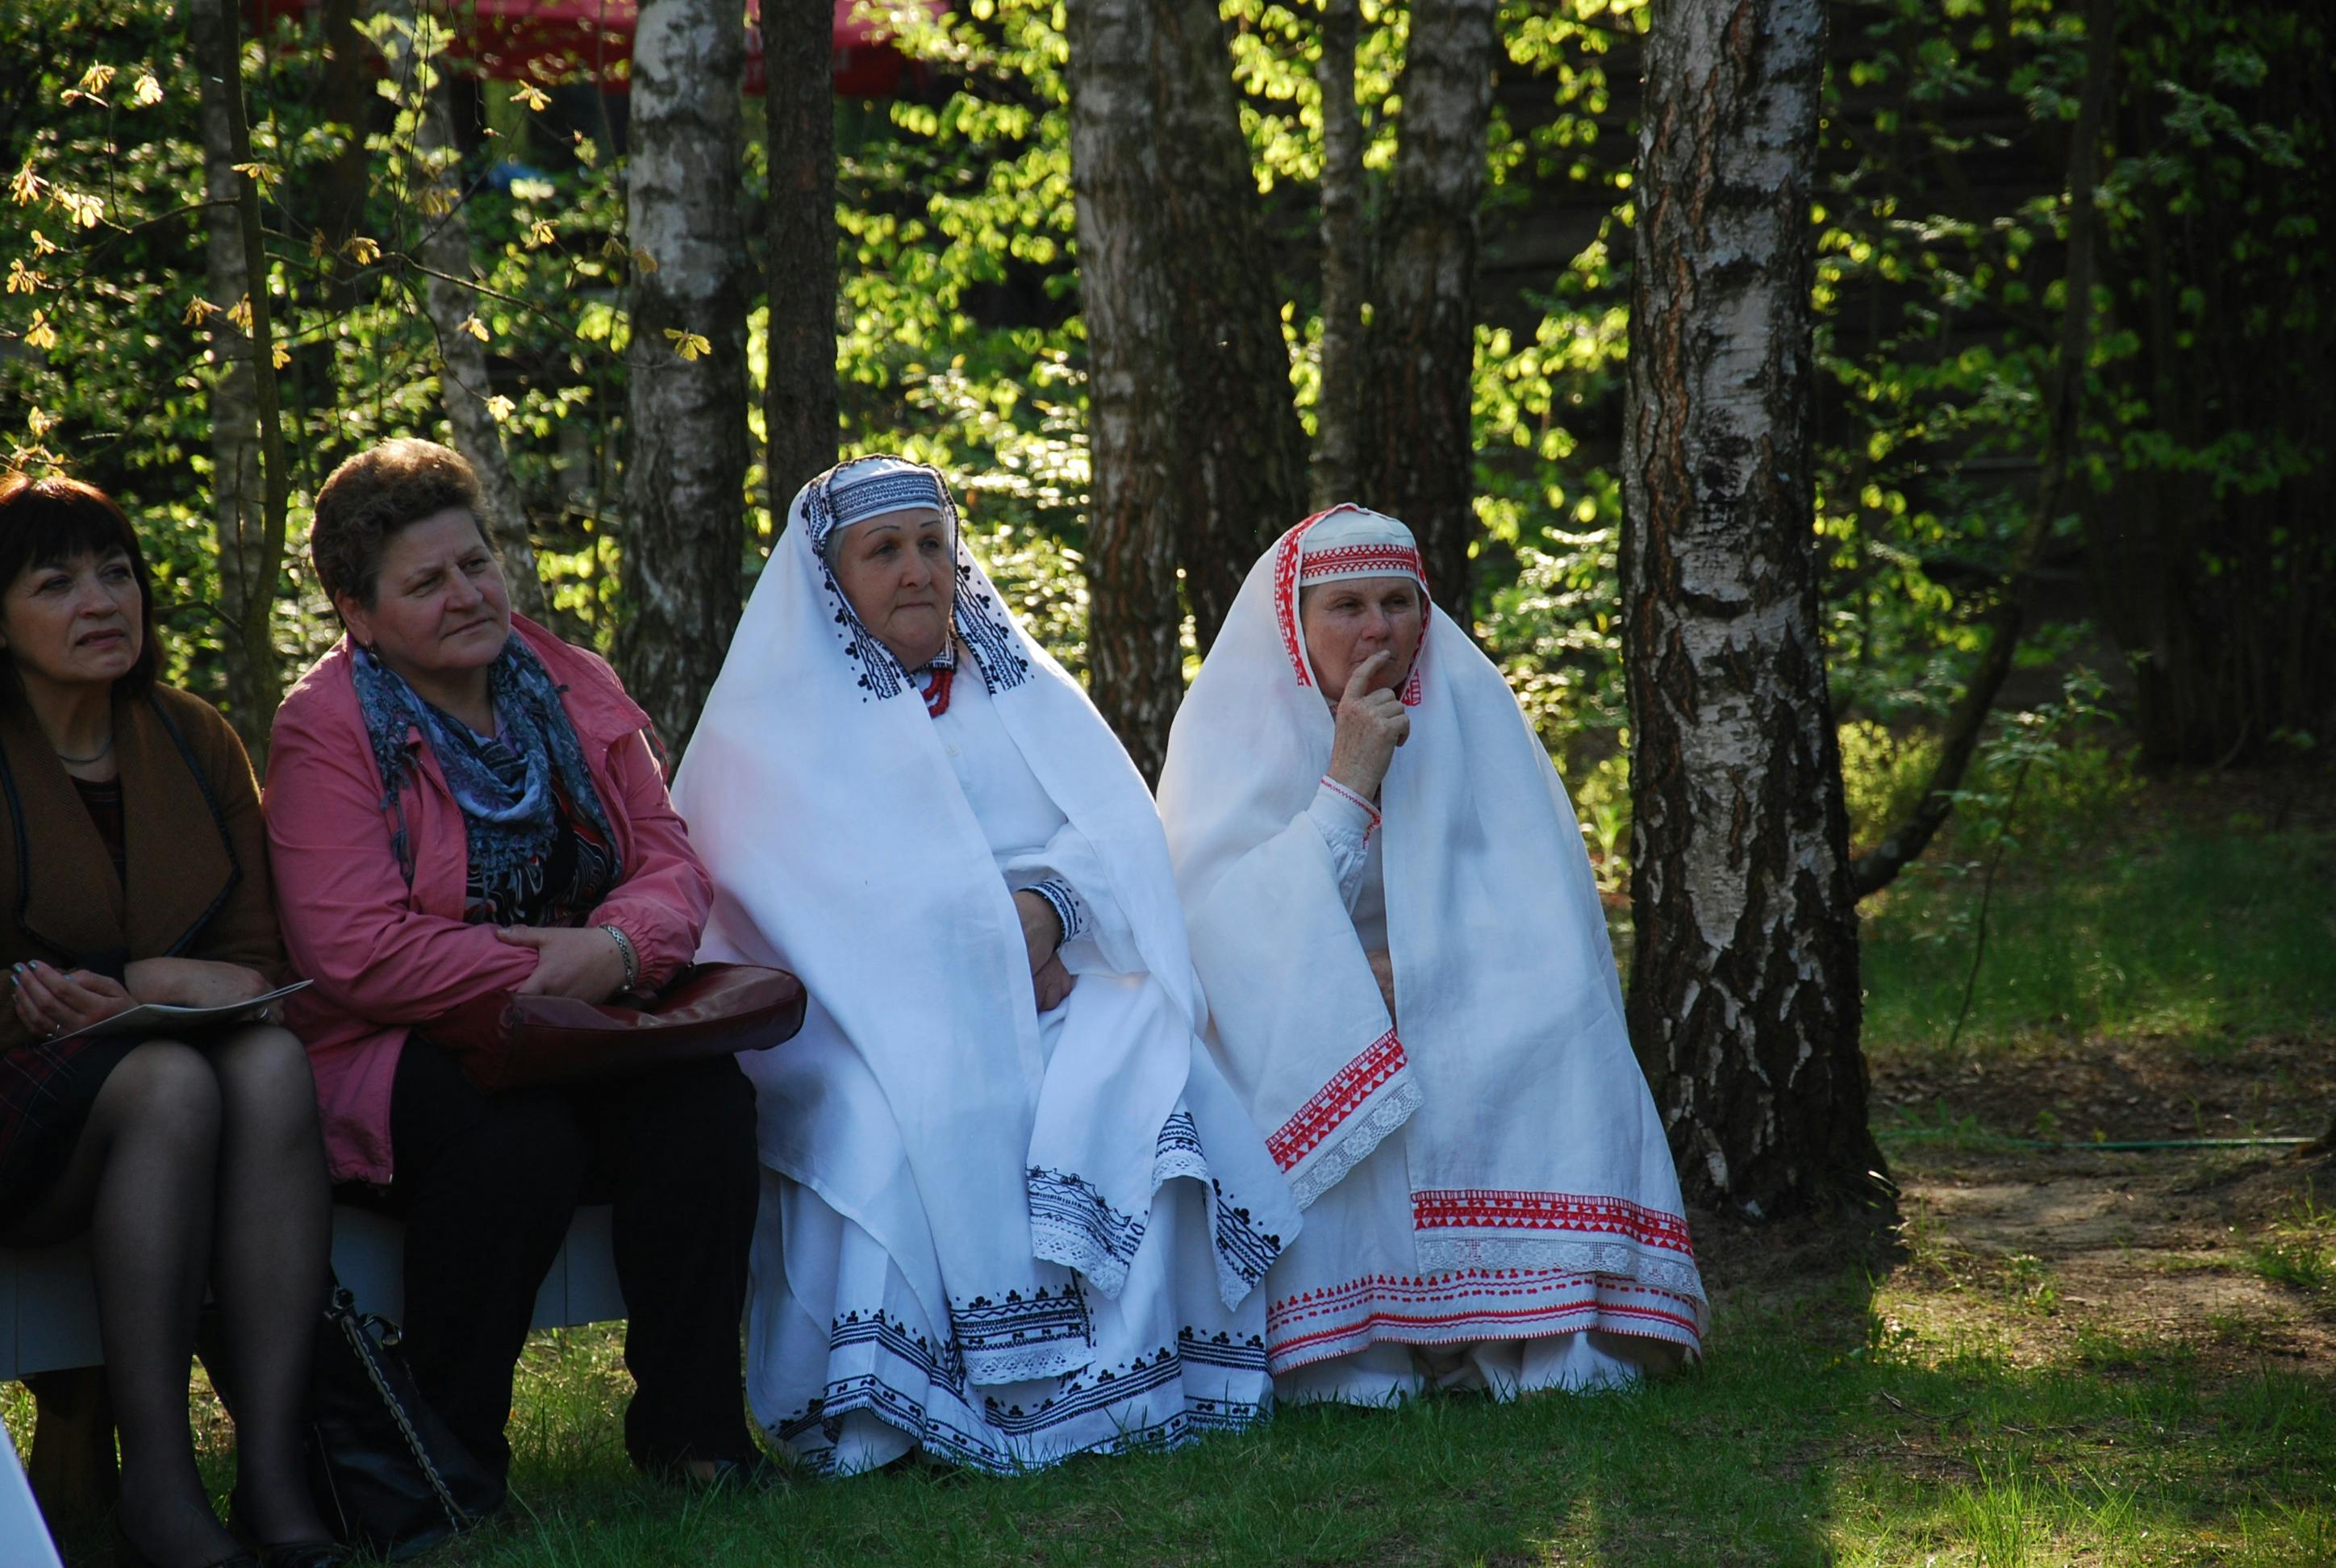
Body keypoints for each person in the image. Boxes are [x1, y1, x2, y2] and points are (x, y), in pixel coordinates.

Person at [670, 456, 1298, 1474]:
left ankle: (1128, 1387)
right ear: (829, 576)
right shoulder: (764, 724)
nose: (917, 570)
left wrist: (1046, 911)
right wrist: (981, 955)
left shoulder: (1016, 687)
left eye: (932, 545)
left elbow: (1116, 832)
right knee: (891, 1124)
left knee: (1143, 1047)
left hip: (1055, 977)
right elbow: (794, 910)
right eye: (884, 551)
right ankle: (899, 1413)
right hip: (857, 1024)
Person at [263, 439, 760, 1487]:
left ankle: (699, 1441)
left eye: (474, 564)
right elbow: (352, 949)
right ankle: (450, 1458)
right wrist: (545, 975)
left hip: (599, 1018)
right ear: (358, 611)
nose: (466, 595)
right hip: (404, 1047)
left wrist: (616, 949)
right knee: (514, 1147)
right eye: (425, 582)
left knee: (704, 1105)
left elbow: (668, 859)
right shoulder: (326, 729)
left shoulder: (571, 680)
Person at [1157, 506, 1707, 1404]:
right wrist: (1347, 781)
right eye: (1346, 607)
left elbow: (1539, 916)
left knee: (1558, 1016)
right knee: (1344, 1052)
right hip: (1299, 1007)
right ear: (1292, 627)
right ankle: (1364, 1336)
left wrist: (1425, 975)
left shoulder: (1473, 711)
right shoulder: (1229, 729)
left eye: (1397, 603)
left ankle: (1526, 1323)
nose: (1377, 630)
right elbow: (1213, 934)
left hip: (1456, 990)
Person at [0, 474, 340, 1568]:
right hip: (19, 1113)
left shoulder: (192, 738)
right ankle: (158, 1480)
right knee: (171, 1081)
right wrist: (117, 998)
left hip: (159, 1093)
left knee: (273, 1068)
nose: (103, 600)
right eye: (57, 583)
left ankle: (279, 1469)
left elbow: (257, 969)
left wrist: (135, 982)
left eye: (117, 572)